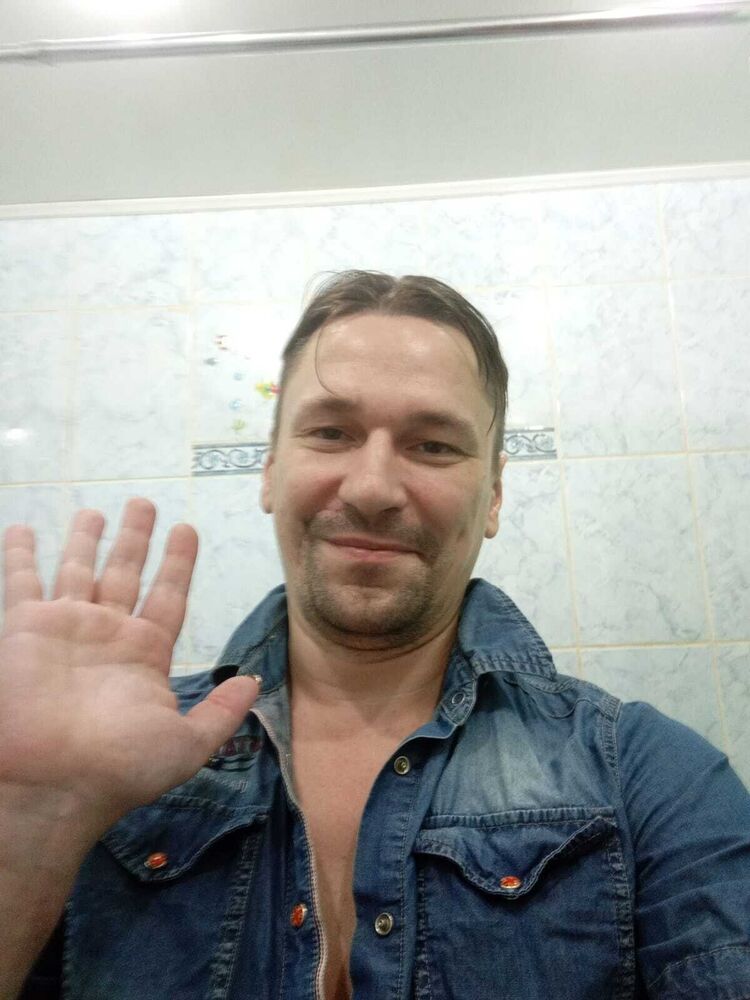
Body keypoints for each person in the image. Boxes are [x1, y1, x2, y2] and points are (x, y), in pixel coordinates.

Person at [2, 270, 749, 1000]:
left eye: (434, 446)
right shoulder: (106, 763)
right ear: (269, 472)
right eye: (331, 433)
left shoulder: (649, 778)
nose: (370, 489)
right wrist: (30, 818)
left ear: (493, 494)